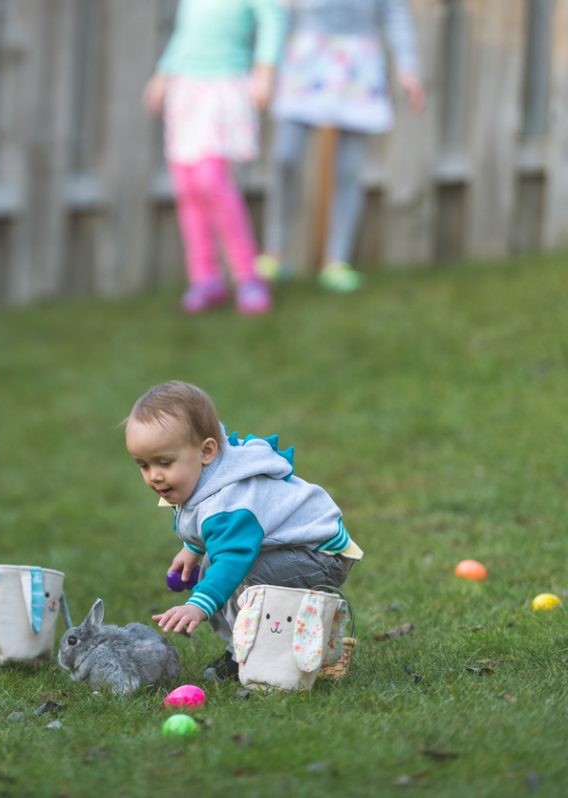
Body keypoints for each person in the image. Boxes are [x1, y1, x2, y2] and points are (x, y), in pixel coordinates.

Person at [125, 381, 362, 681]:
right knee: (216, 572)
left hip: (321, 555)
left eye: (164, 463)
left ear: (207, 451)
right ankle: (243, 650)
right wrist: (193, 548)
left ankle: (252, 655)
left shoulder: (228, 499)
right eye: (143, 465)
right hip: (287, 547)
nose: (154, 476)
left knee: (236, 579)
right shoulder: (203, 474)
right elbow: (208, 523)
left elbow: (233, 554)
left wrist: (198, 605)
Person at [258, 0, 425, 292]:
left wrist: (407, 65)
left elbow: (394, 11)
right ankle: (275, 250)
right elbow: (276, 11)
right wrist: (266, 65)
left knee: (349, 169)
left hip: (358, 59)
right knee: (285, 156)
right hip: (307, 56)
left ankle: (337, 260)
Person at [143, 0, 288, 315]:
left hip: (223, 88)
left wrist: (265, 70)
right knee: (188, 188)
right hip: (186, 89)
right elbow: (184, 35)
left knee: (212, 180)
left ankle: (248, 275)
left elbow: (273, 15)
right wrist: (162, 75)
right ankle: (205, 278)